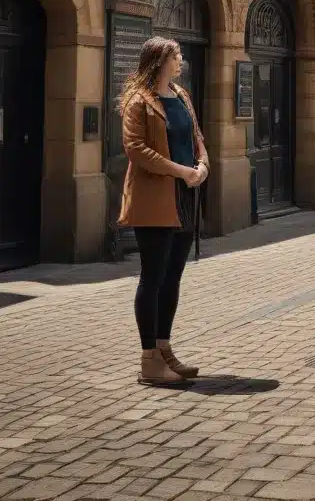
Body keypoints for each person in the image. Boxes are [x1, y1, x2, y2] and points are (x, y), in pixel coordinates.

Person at [119, 36, 208, 387]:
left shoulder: (182, 96)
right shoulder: (138, 101)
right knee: (152, 277)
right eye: (177, 56)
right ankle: (148, 361)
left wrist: (203, 164)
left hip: (184, 198)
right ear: (159, 60)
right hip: (155, 199)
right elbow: (136, 150)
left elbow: (196, 137)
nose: (181, 60)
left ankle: (164, 348)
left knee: (172, 278)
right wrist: (182, 171)